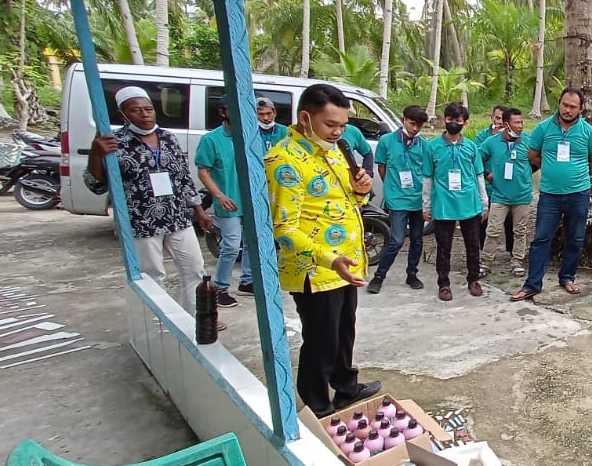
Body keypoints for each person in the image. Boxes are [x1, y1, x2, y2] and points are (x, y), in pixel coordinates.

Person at [265, 83, 380, 416]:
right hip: (315, 269)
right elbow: (284, 229)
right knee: (321, 338)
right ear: (305, 117)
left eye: (342, 125)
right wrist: (329, 259)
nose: (338, 132)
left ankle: (346, 386)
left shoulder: (333, 151)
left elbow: (345, 203)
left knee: (344, 330)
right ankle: (317, 403)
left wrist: (361, 191)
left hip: (346, 264)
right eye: (331, 124)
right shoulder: (285, 161)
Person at [86, 86, 212, 314]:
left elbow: (183, 177)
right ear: (123, 114)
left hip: (176, 216)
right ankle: (159, 323)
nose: (145, 115)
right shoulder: (115, 142)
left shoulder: (167, 138)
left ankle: (196, 318)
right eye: (136, 110)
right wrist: (95, 154)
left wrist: (198, 209)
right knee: (152, 276)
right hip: (141, 221)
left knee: (194, 269)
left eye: (149, 109)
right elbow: (96, 185)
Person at [511, 88, 592, 301]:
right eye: (564, 104)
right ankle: (532, 284)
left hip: (578, 194)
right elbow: (533, 154)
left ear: (581, 109)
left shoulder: (589, 132)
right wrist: (551, 169)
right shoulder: (543, 128)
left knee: (575, 237)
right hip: (549, 196)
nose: (567, 110)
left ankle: (567, 277)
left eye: (572, 106)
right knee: (541, 238)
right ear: (559, 103)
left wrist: (573, 172)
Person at [422, 103, 489, 301]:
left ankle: (473, 279)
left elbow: (479, 176)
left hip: (470, 204)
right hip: (444, 204)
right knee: (444, 248)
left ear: (465, 123)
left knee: (473, 246)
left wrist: (484, 203)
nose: (453, 123)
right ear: (444, 119)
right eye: (450, 119)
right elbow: (428, 178)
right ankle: (444, 284)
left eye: (458, 120)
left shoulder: (471, 147)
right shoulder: (432, 146)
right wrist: (426, 205)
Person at [195, 99, 254, 306]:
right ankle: (220, 288)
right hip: (228, 202)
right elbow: (203, 172)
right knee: (231, 246)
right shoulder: (211, 139)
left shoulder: (250, 137)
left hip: (251, 201)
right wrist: (219, 196)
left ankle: (247, 281)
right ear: (223, 112)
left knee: (252, 243)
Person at [367, 105, 430, 294]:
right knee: (396, 239)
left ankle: (412, 274)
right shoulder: (386, 141)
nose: (415, 128)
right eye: (412, 123)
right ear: (403, 120)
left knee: (417, 239)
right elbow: (382, 167)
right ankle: (379, 275)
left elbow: (426, 172)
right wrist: (391, 188)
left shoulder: (424, 144)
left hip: (417, 199)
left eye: (419, 125)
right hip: (397, 199)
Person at [480, 107, 534, 275]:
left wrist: (524, 176)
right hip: (499, 195)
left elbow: (537, 160)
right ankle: (486, 261)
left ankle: (517, 261)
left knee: (520, 231)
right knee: (492, 230)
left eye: (521, 122)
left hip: (522, 196)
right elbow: (476, 159)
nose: (520, 126)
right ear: (506, 125)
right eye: (516, 123)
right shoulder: (491, 142)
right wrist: (487, 174)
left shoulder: (528, 141)